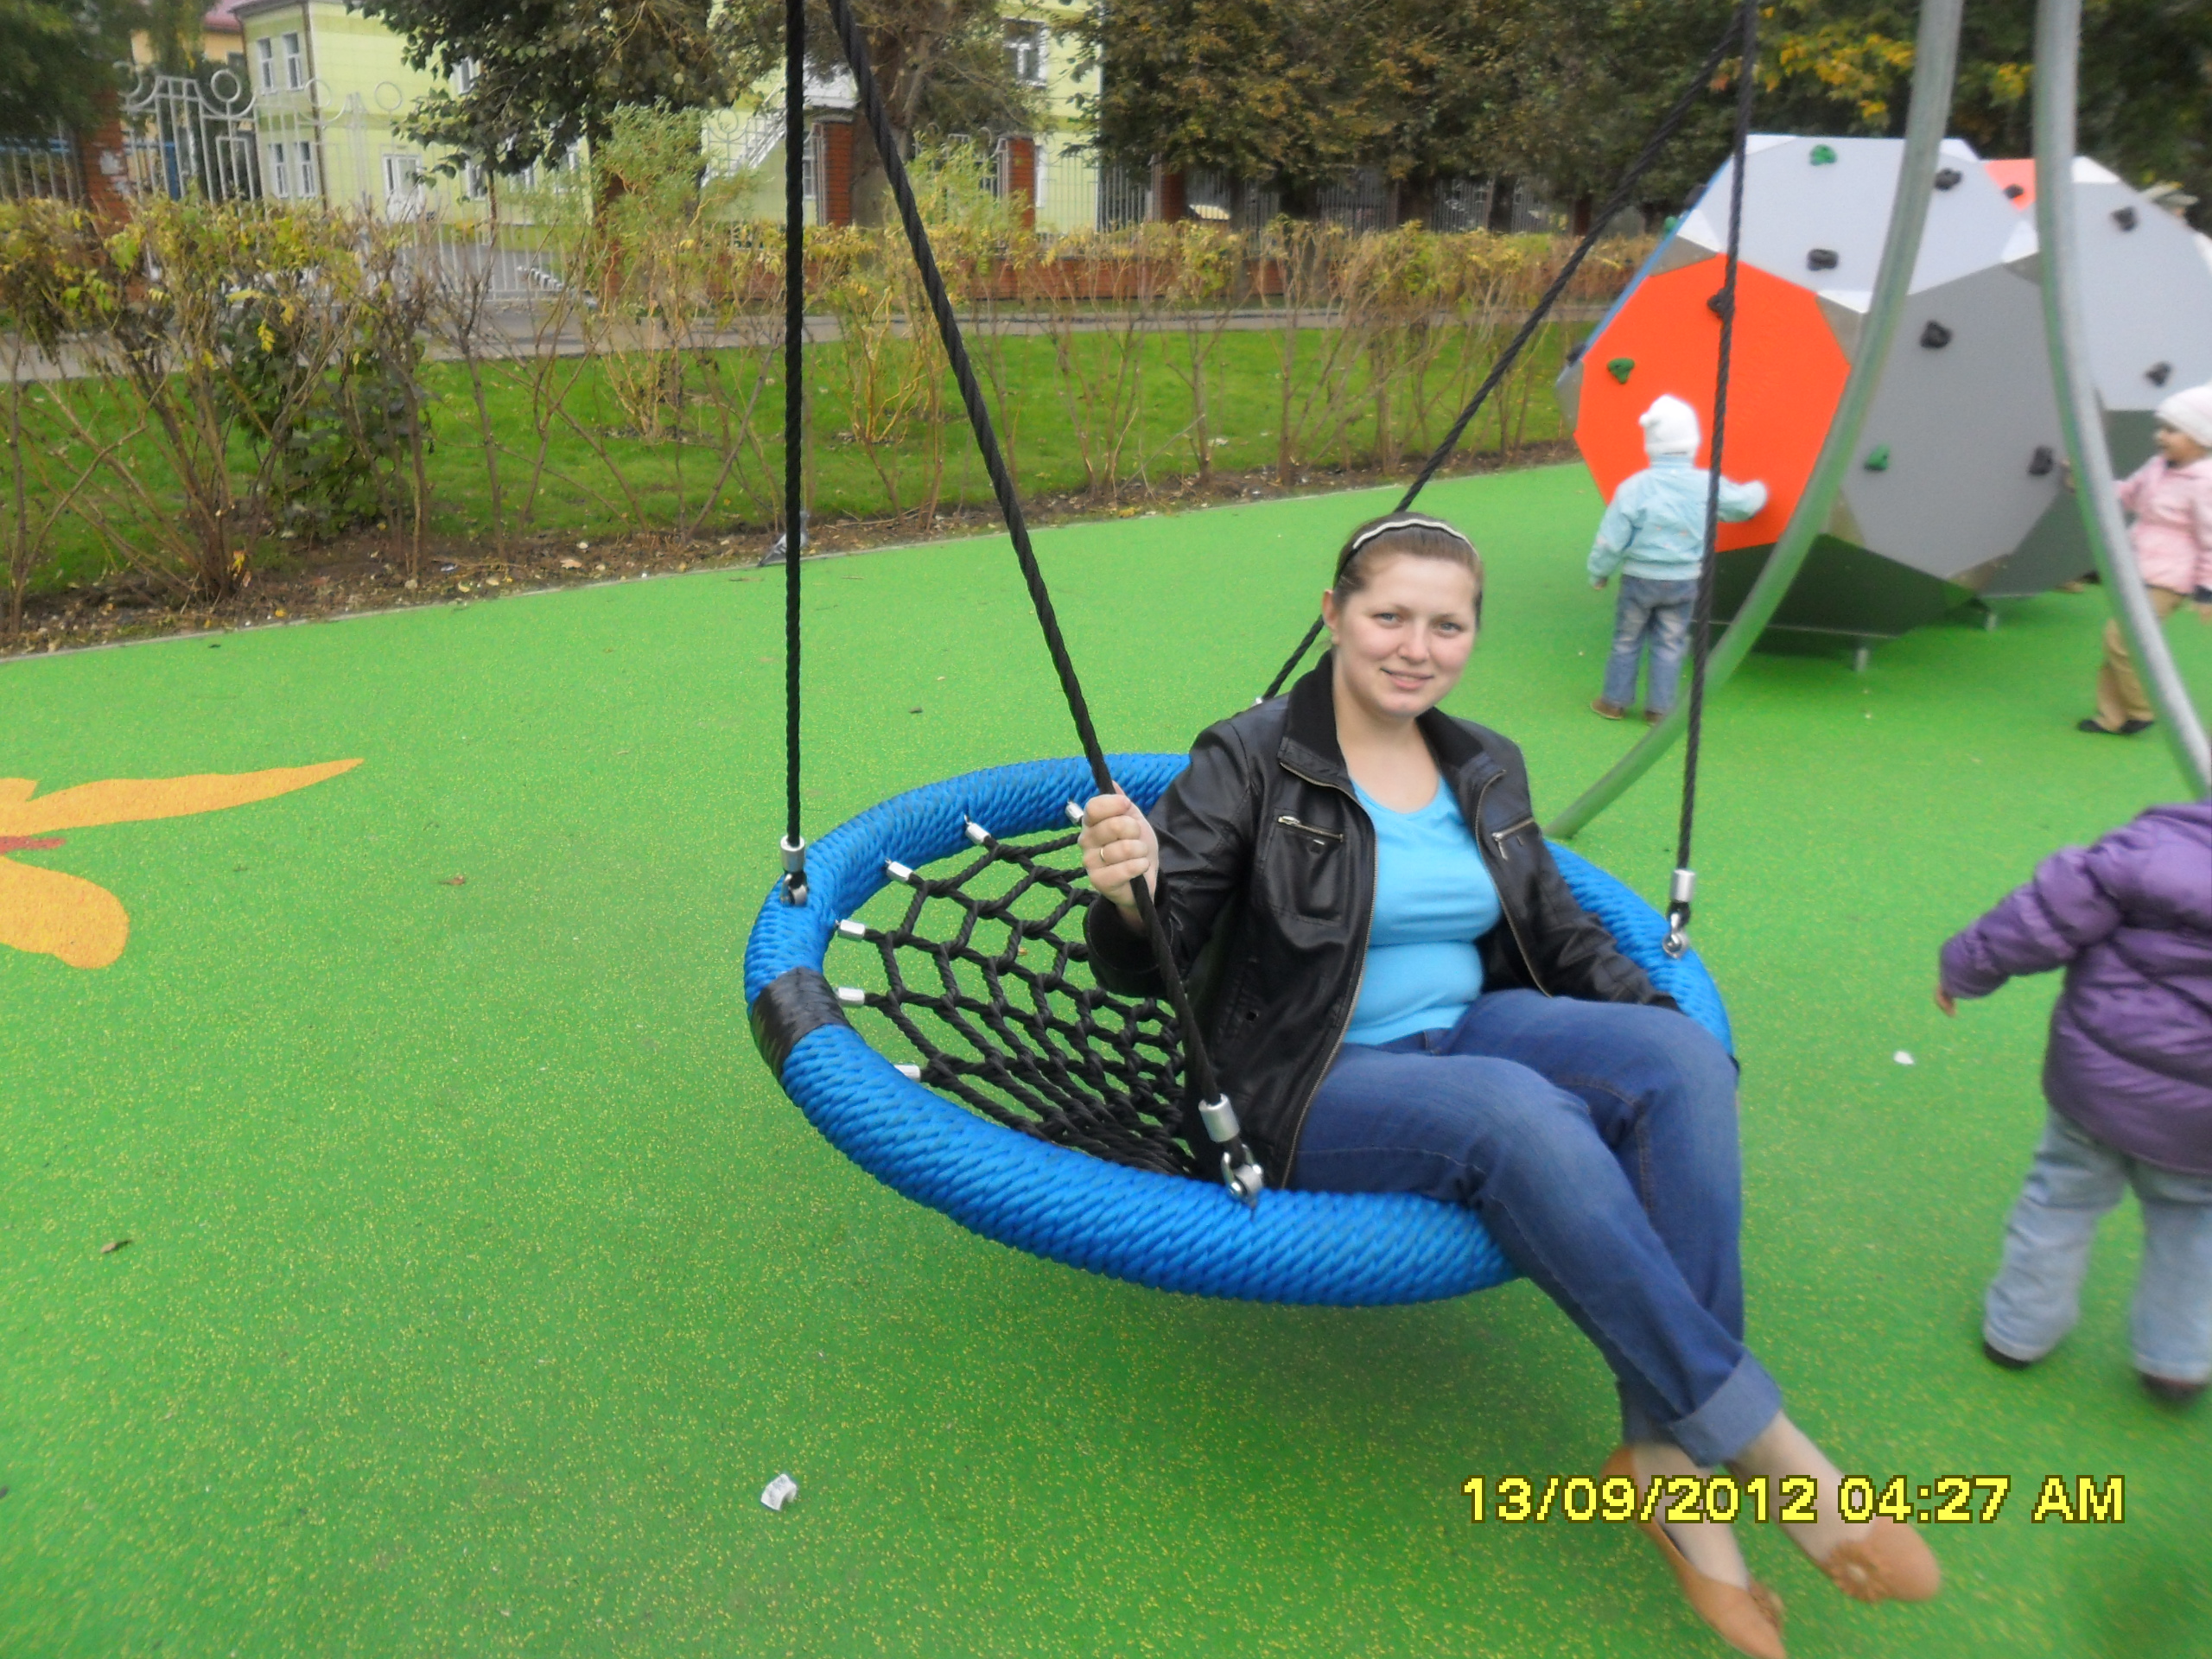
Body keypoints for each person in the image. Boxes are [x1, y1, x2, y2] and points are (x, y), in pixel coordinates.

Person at [1077, 512, 1937, 1658]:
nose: (1415, 647)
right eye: (1389, 615)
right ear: (1333, 616)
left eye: (1447, 624)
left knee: (1679, 1063)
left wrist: (1659, 1039)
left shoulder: (1481, 762)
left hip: (1474, 1022)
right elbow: (1155, 960)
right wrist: (1129, 897)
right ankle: (1766, 1448)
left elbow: (1555, 928)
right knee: (1516, 1114)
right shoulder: (1250, 755)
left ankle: (1665, 1458)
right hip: (1304, 1072)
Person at [1936, 798, 2212, 1402]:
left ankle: (2017, 1331)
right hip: (2200, 1127)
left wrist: (1966, 968)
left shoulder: (2153, 846)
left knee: (2060, 1197)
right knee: (2193, 1226)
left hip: (2098, 1082)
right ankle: (2176, 1360)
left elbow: (2044, 916)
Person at [1586, 394, 1767, 725]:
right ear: (1692, 443)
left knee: (1627, 639)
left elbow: (1611, 538)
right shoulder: (1706, 484)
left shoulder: (1635, 487)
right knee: (1670, 643)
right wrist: (1762, 488)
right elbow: (1743, 505)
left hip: (1639, 580)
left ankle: (1613, 702)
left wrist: (1599, 572)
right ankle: (1660, 709)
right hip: (1684, 581)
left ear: (1651, 445)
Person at [2079, 383, 2212, 736]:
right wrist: (2088, 482)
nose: (2161, 436)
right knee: (2121, 644)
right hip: (2137, 567)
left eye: (2173, 430)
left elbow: (2210, 539)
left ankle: (2143, 708)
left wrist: (2207, 589)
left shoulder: (2204, 483)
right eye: (2161, 427)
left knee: (2121, 638)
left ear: (2201, 439)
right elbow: (2127, 494)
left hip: (2169, 579)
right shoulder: (2157, 467)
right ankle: (2113, 716)